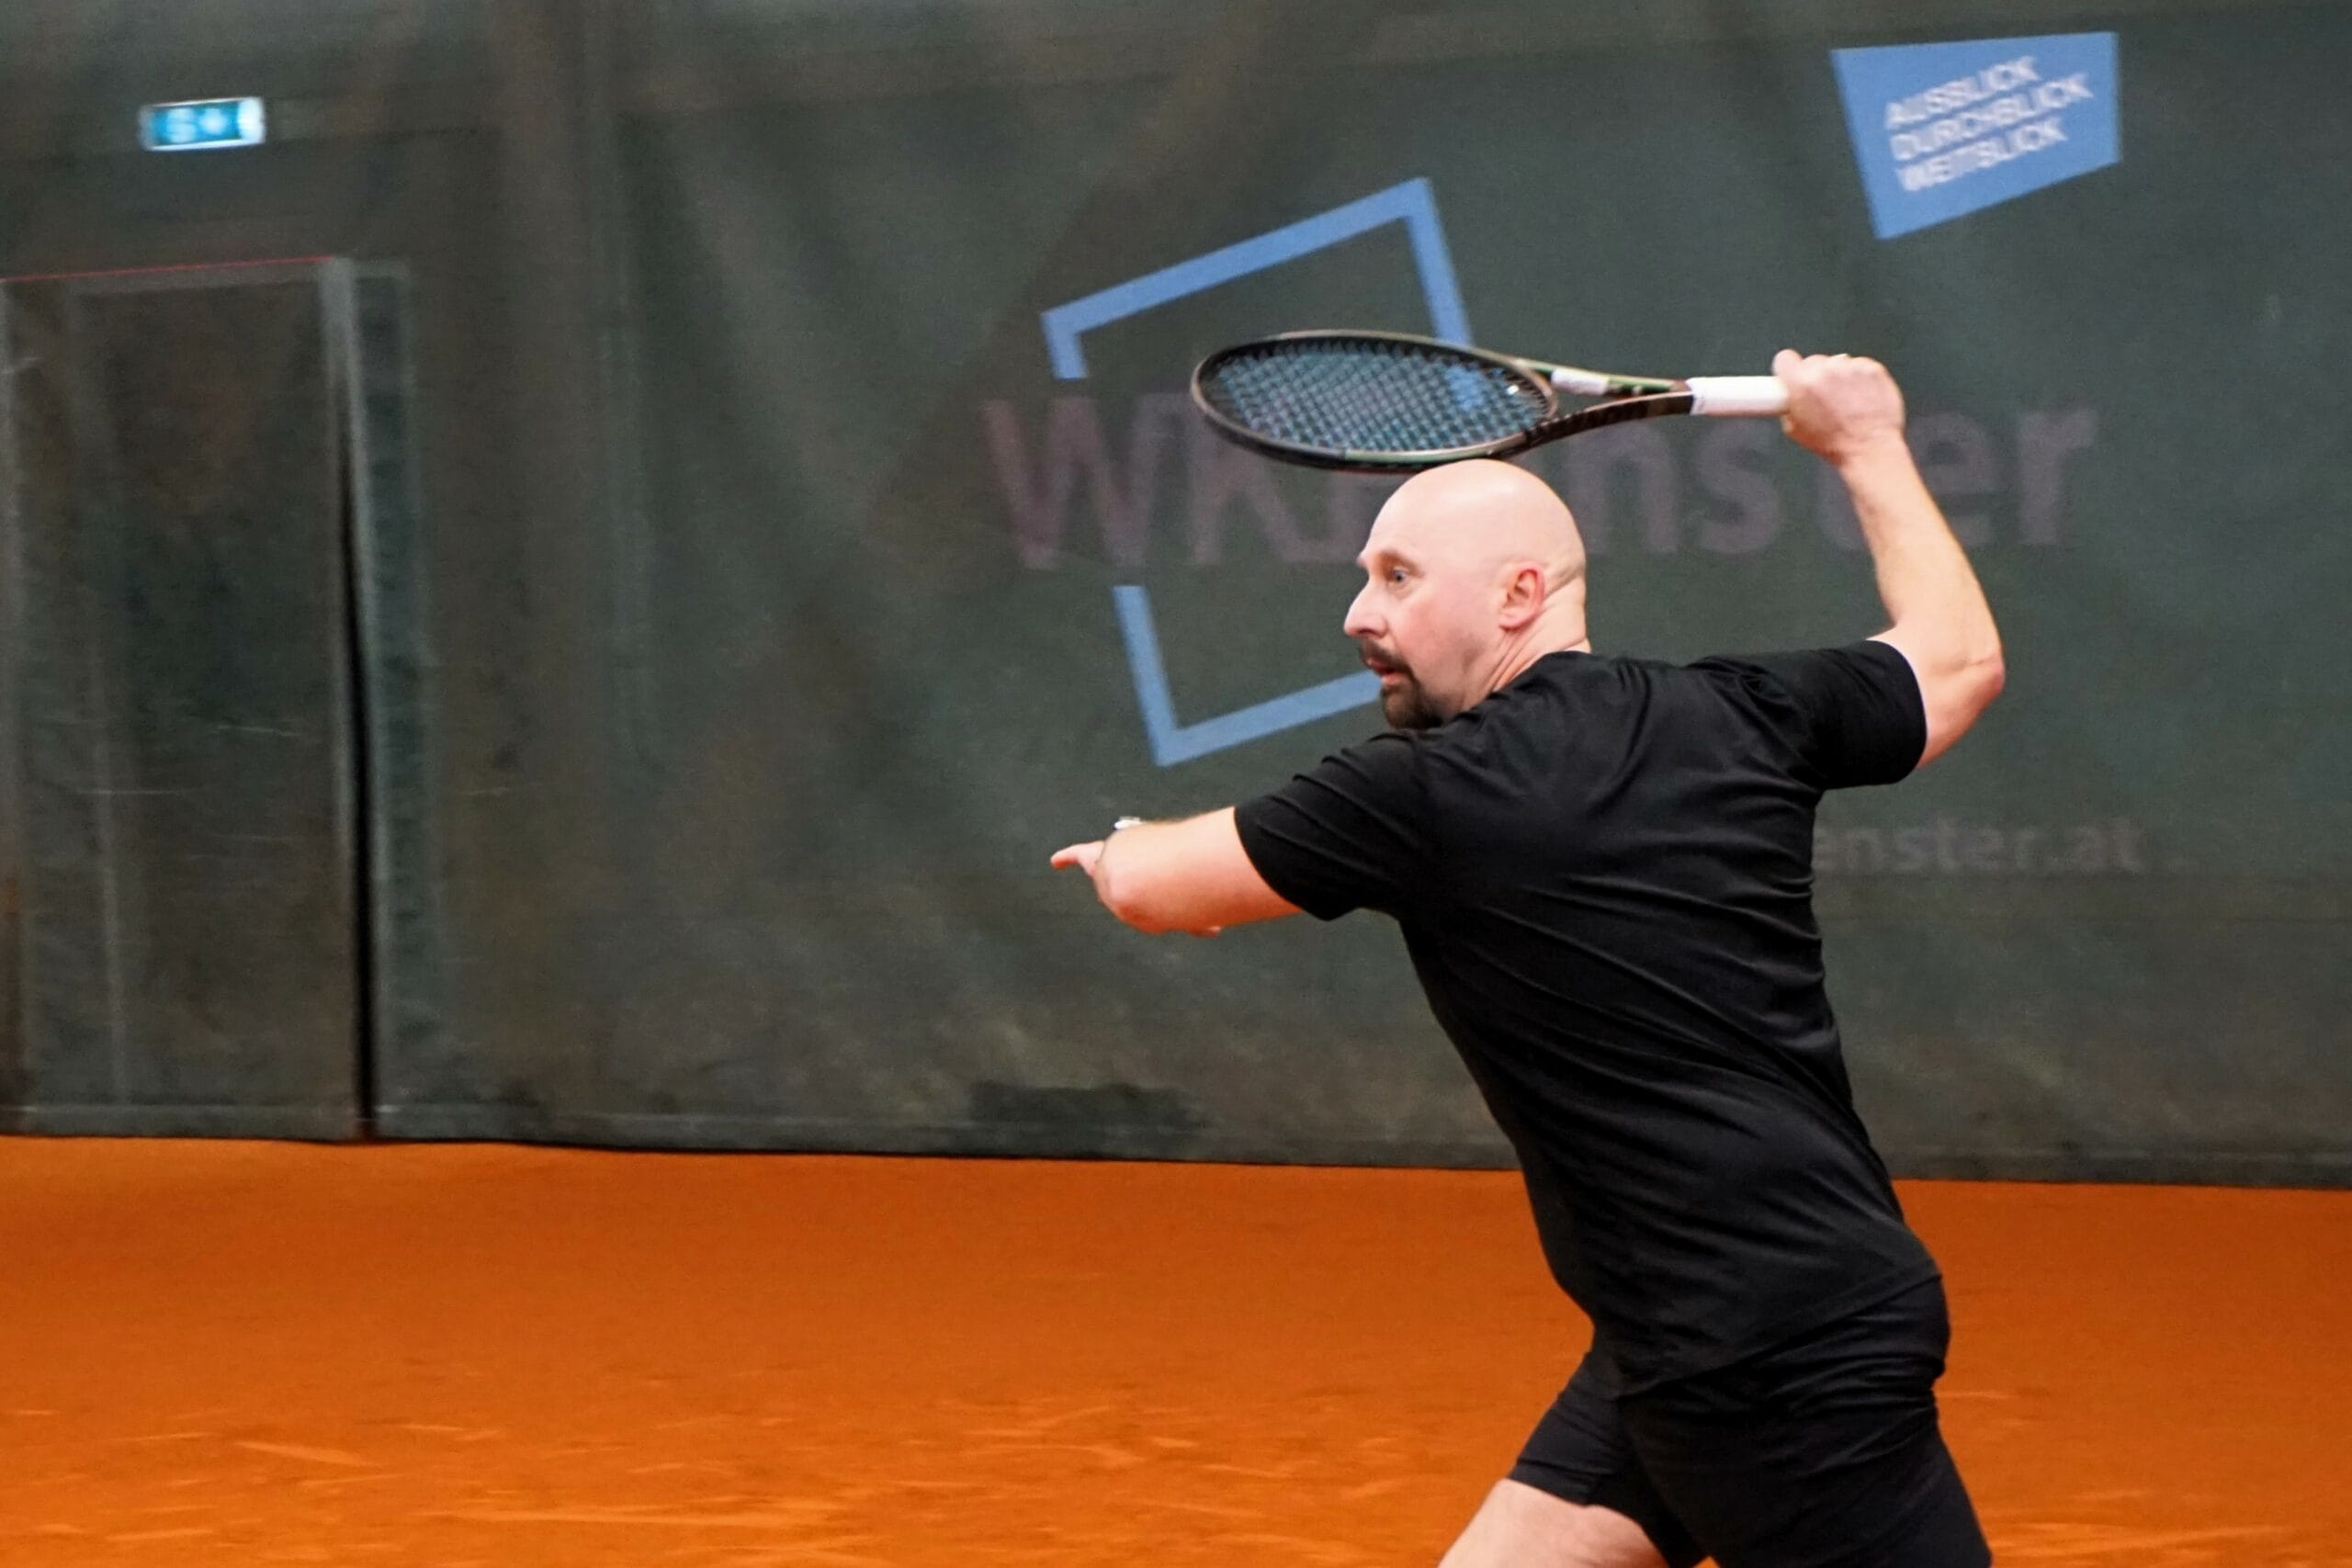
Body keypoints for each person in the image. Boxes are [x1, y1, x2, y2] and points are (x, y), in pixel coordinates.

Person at [1050, 350, 2004, 1568]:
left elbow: (1152, 888)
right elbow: (1957, 659)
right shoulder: (1742, 713)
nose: (1358, 615)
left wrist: (1127, 843)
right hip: (1715, 1319)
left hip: (1768, 1364)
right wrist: (1866, 442)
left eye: (1397, 578)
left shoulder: (1428, 796)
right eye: (1365, 578)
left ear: (1517, 597)